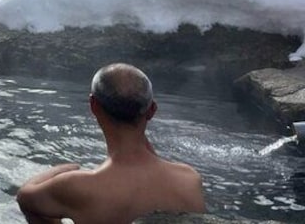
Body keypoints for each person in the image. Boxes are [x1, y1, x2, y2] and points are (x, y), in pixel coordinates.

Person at [16, 63, 205, 223]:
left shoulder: (77, 187)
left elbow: (25, 196)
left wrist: (64, 168)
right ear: (152, 110)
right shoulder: (189, 179)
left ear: (93, 106)